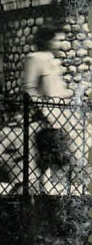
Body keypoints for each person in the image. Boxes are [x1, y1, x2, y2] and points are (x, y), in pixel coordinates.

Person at [23, 24, 73, 192]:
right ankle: (46, 193)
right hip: (47, 120)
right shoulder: (35, 59)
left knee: (63, 159)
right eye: (57, 40)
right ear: (47, 40)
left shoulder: (54, 61)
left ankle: (58, 193)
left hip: (62, 118)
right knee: (51, 159)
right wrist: (44, 111)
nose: (60, 43)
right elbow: (29, 88)